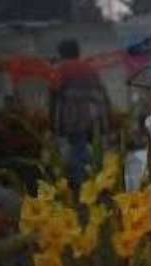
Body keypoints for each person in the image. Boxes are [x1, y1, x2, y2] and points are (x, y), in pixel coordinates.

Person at [50, 39, 111, 185]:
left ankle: (81, 184)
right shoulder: (89, 68)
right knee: (87, 146)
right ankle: (97, 178)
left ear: (62, 53)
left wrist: (53, 120)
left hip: (73, 116)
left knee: (77, 148)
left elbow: (54, 93)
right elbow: (102, 93)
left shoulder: (61, 68)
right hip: (94, 115)